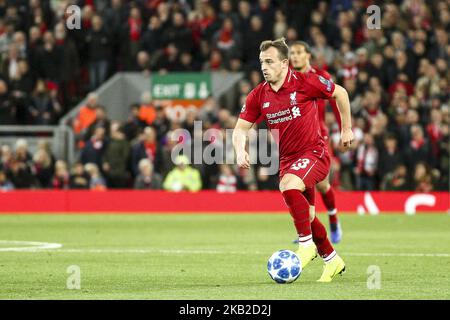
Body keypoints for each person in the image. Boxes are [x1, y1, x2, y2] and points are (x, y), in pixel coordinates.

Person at [233, 38, 353, 282]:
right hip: (289, 160)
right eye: (261, 62)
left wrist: (347, 129)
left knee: (288, 185)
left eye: (269, 61)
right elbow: (239, 129)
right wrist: (239, 149)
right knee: (307, 214)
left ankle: (306, 244)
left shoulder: (305, 82)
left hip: (315, 153)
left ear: (284, 63)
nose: (264, 67)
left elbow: (340, 92)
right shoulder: (259, 96)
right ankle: (332, 260)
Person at [289, 41, 343, 243]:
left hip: (319, 136)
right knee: (301, 183)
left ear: (308, 55)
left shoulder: (320, 77)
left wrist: (344, 130)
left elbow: (337, 101)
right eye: (292, 53)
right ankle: (308, 231)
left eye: (299, 52)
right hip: (297, 139)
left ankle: (334, 220)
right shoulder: (288, 79)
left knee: (321, 184)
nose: (294, 56)